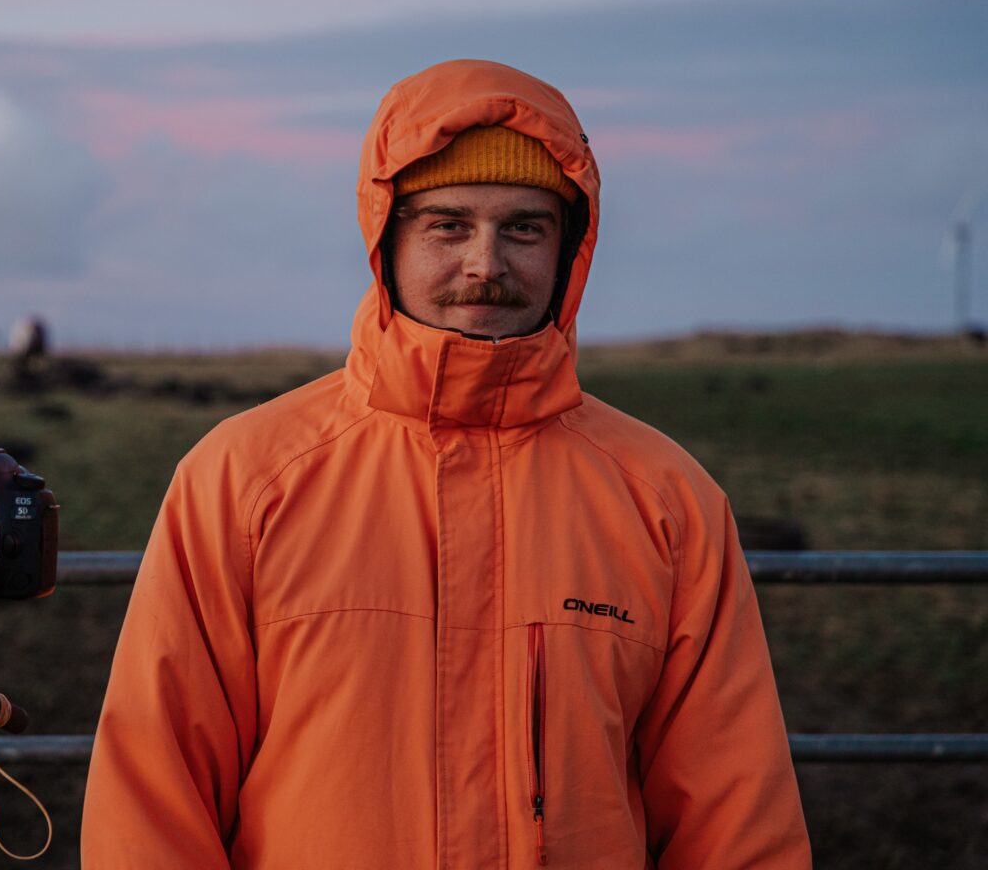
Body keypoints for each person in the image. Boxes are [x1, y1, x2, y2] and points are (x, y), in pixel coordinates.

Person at [82, 59, 811, 868]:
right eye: (448, 224)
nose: (485, 264)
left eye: (524, 228)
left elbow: (736, 820)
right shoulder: (244, 478)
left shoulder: (667, 500)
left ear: (570, 249)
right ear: (385, 238)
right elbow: (153, 797)